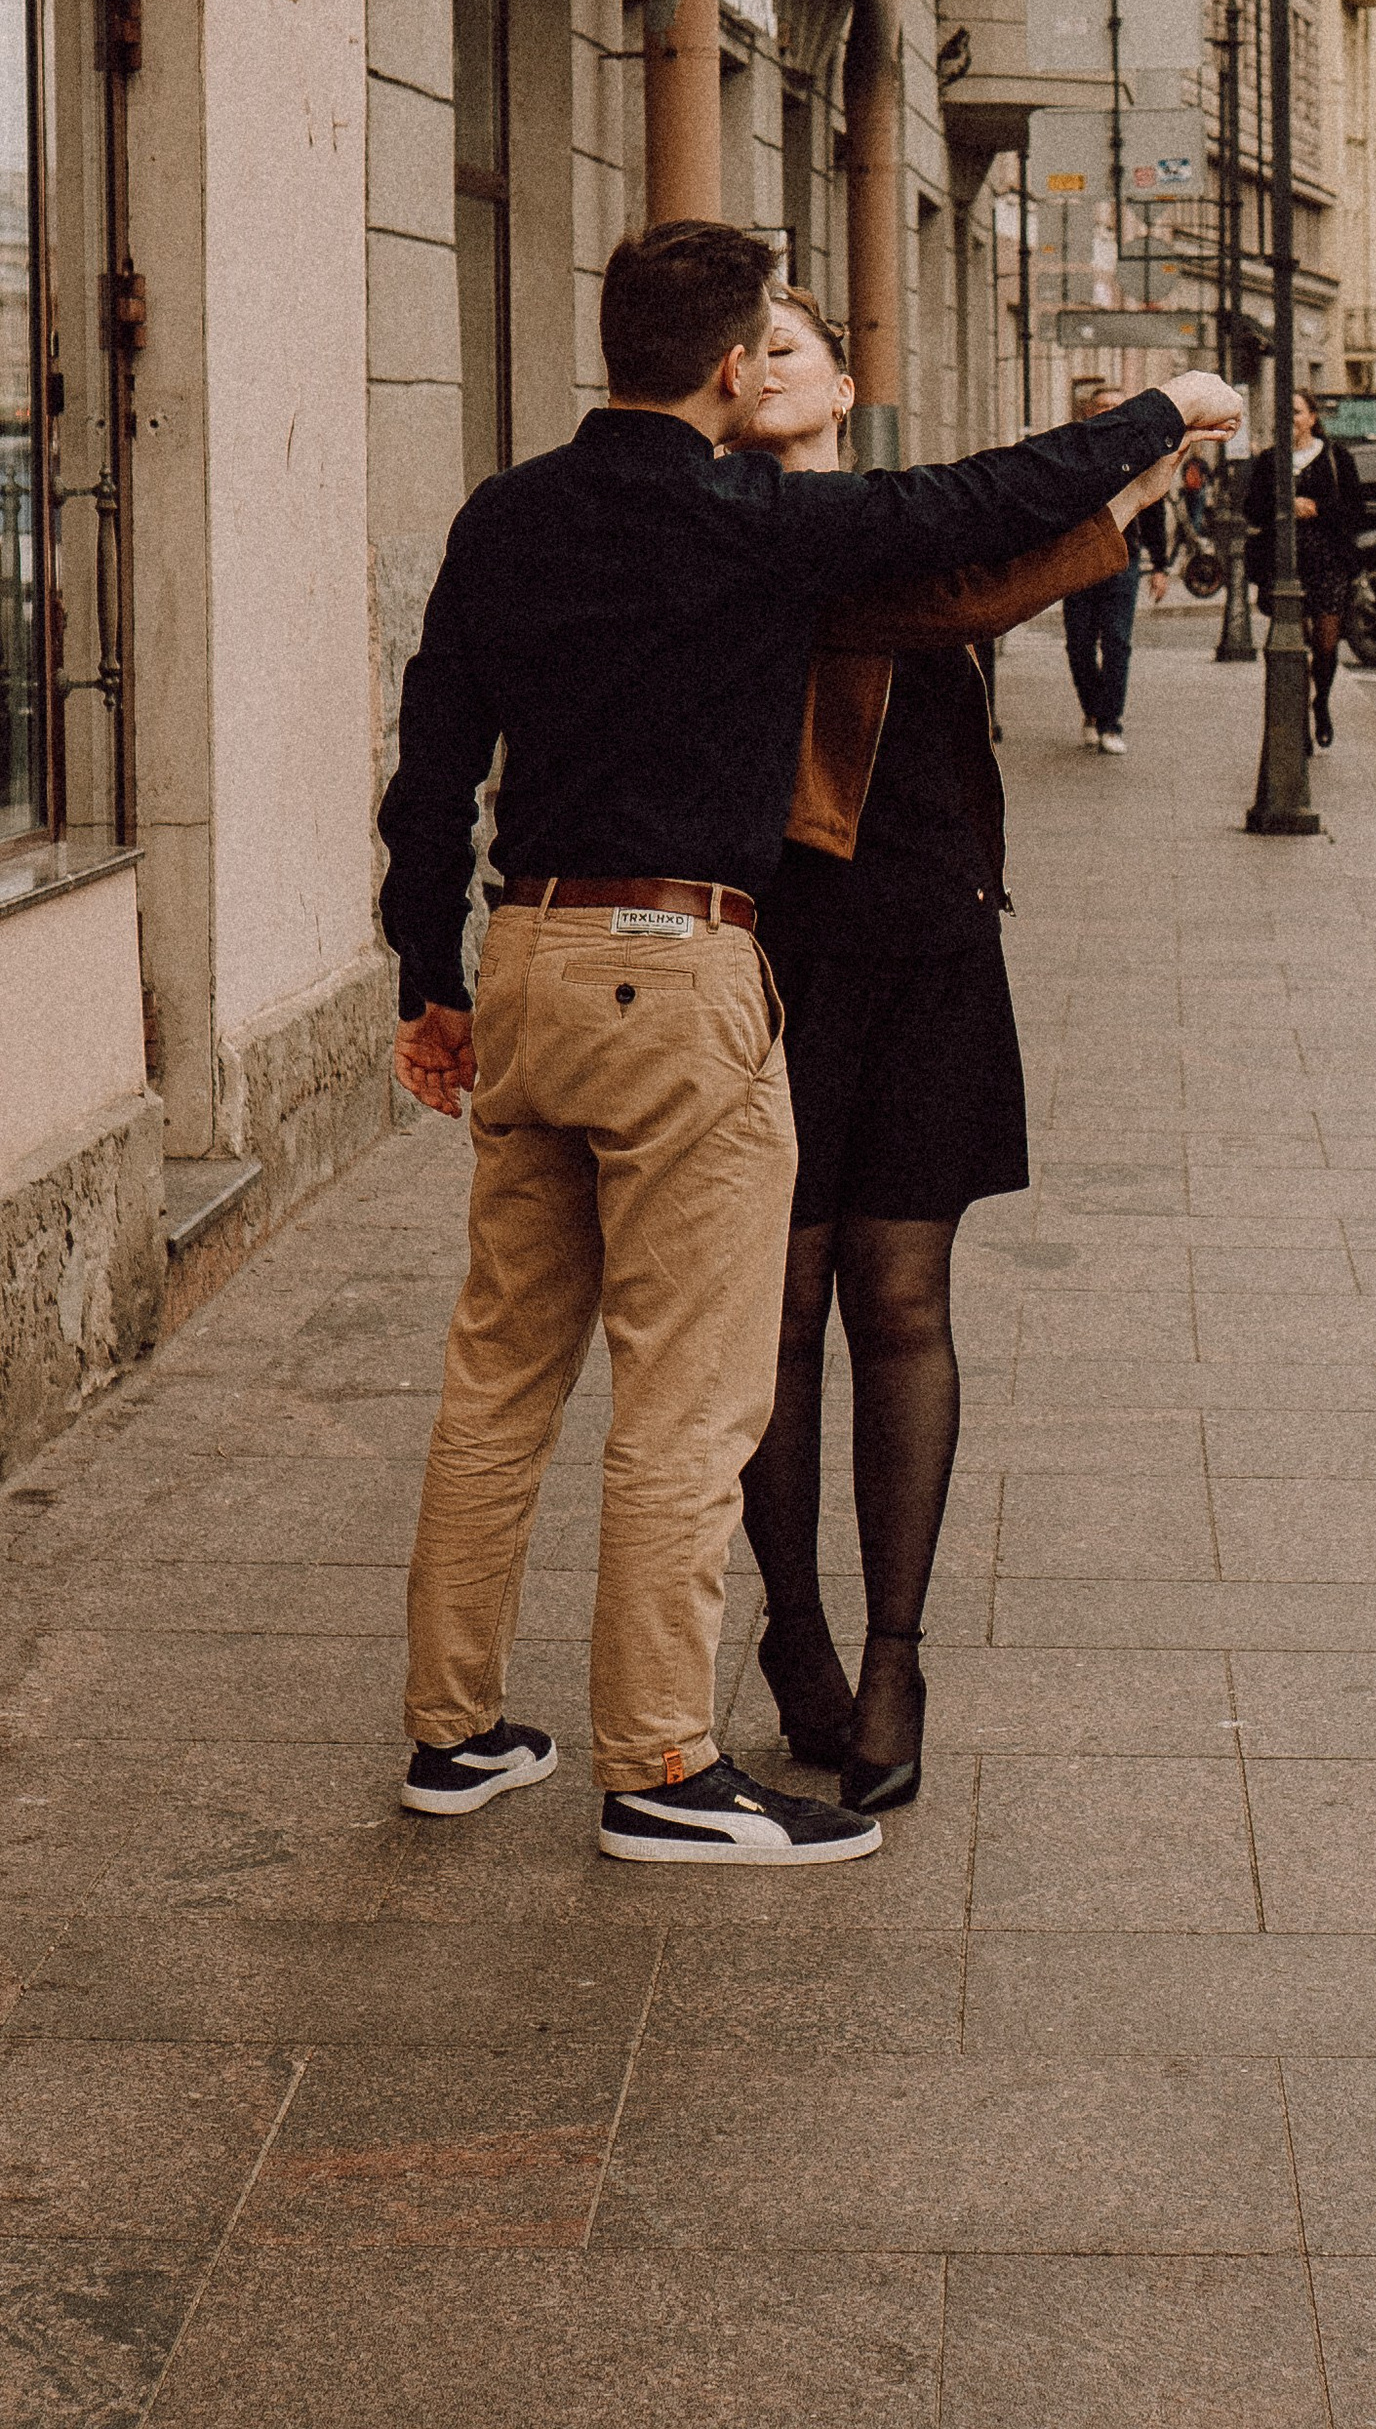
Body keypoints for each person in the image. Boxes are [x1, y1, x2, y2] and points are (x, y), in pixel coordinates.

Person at [378, 219, 1237, 1869]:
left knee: (499, 1375)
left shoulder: (506, 516)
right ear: (720, 368)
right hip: (675, 970)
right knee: (695, 1400)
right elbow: (960, 514)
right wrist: (1160, 412)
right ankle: (660, 1766)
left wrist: (434, 974)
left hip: (529, 962)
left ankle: (457, 1730)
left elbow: (431, 766)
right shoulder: (742, 520)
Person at [733, 291, 1115, 1804]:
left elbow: (958, 582)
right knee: (778, 1302)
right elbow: (952, 599)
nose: (768, 360)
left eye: (793, 343)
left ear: (842, 381)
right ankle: (800, 1630)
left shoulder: (906, 522)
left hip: (935, 946)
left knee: (901, 1295)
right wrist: (1117, 482)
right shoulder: (739, 537)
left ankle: (896, 1655)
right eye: (745, 343)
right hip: (777, 959)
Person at [1243, 389, 1361, 747]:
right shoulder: (1269, 461)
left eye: (1296, 412)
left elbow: (1357, 510)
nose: (1290, 420)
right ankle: (1297, 724)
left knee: (1325, 642)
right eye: (1283, 413)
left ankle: (1320, 702)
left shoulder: (1336, 458)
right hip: (1284, 565)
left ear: (1311, 418)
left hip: (1328, 562)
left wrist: (1318, 509)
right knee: (1292, 646)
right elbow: (1252, 510)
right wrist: (1284, 504)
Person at [1061, 385, 1170, 755]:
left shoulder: (1142, 453)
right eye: (1102, 406)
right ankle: (1091, 709)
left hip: (1123, 556)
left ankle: (1110, 722)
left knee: (1117, 641)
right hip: (1076, 557)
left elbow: (1154, 511)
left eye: (1116, 405)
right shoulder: (1073, 449)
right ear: (1089, 412)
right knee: (1078, 643)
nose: (1109, 410)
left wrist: (1161, 566)